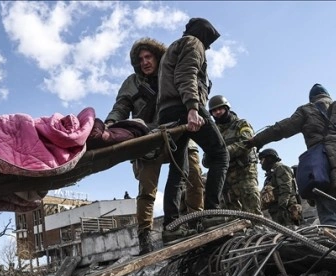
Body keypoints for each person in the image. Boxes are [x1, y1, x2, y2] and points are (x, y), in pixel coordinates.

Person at [104, 38, 204, 255]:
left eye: (149, 57)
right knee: (147, 191)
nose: (145, 62)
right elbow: (121, 106)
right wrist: (110, 123)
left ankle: (197, 223)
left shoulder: (171, 72)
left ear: (158, 57)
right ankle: (145, 238)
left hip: (179, 132)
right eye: (140, 59)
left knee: (195, 178)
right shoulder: (132, 82)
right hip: (148, 138)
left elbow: (191, 87)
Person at [247, 83, 336, 229]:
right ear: (328, 96)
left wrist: (257, 140)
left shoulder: (306, 110)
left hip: (322, 166)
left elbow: (281, 129)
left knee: (328, 215)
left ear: (312, 99)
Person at [157, 17, 228, 244]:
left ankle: (171, 226)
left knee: (179, 170)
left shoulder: (172, 49)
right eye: (209, 42)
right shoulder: (193, 43)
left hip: (167, 112)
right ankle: (212, 214)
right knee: (220, 155)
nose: (207, 47)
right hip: (184, 107)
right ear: (204, 35)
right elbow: (186, 74)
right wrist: (192, 108)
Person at [207, 95, 261, 214]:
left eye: (220, 109)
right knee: (232, 211)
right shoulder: (214, 132)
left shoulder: (241, 124)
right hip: (226, 175)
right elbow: (207, 158)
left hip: (245, 171)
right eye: (214, 111)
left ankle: (259, 228)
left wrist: (222, 153)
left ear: (227, 108)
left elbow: (246, 143)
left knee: (251, 204)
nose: (217, 113)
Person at [258, 149, 301, 226]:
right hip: (277, 210)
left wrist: (282, 208)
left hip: (286, 210)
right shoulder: (271, 174)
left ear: (269, 159)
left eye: (262, 159)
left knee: (291, 233)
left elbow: (286, 189)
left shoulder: (281, 168)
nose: (260, 162)